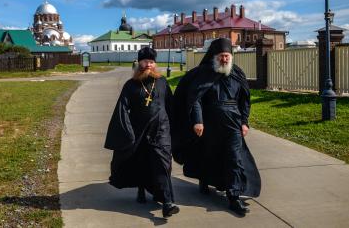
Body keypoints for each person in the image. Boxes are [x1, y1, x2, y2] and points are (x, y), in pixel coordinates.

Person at [172, 37, 261, 216]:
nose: (224, 59)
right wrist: (198, 120)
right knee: (209, 155)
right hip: (210, 125)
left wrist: (244, 122)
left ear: (231, 56)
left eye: (227, 56)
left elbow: (245, 100)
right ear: (215, 56)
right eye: (221, 56)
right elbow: (195, 98)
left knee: (234, 158)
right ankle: (204, 180)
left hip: (233, 124)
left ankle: (233, 196)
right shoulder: (204, 73)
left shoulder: (237, 74)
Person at [104, 47, 179, 218]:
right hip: (139, 130)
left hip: (161, 131)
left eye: (151, 62)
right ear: (139, 63)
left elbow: (170, 105)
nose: (148, 65)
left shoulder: (162, 82)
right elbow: (122, 109)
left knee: (162, 163)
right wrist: (126, 131)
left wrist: (174, 126)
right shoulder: (130, 85)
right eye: (145, 61)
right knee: (140, 160)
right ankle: (141, 190)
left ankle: (167, 202)